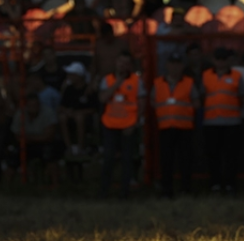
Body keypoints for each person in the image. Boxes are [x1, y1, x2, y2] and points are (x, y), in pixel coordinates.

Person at [98, 50, 145, 199]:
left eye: (126, 63)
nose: (123, 66)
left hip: (128, 126)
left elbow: (141, 103)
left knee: (127, 160)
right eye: (120, 62)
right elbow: (103, 98)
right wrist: (117, 83)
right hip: (110, 125)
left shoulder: (137, 81)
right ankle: (104, 191)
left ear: (130, 65)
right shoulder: (107, 80)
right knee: (108, 159)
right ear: (116, 63)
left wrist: (134, 124)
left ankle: (124, 193)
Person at [152, 52, 199, 198]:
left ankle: (186, 188)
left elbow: (196, 103)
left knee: (185, 160)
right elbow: (153, 101)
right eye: (172, 63)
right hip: (165, 127)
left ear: (182, 66)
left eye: (178, 64)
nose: (175, 67)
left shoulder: (189, 83)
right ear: (167, 65)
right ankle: (167, 190)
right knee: (166, 160)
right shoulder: (158, 83)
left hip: (184, 127)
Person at [202, 47, 244, 195]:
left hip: (232, 122)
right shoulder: (206, 75)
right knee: (213, 155)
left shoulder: (237, 76)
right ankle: (215, 183)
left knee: (231, 155)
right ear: (213, 60)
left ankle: (230, 184)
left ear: (229, 60)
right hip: (211, 122)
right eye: (218, 59)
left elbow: (242, 96)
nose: (221, 62)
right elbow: (202, 95)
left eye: (224, 59)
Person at [10, 93, 63, 182]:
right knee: (14, 156)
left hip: (45, 144)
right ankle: (9, 185)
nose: (33, 108)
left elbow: (49, 136)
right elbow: (17, 136)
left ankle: (55, 183)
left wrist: (27, 138)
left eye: (36, 105)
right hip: (26, 145)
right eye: (31, 105)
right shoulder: (20, 114)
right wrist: (36, 137)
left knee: (50, 153)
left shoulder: (48, 112)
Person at [59, 62, 97, 159]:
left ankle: (81, 148)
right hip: (70, 115)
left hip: (85, 118)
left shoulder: (89, 90)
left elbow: (94, 109)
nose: (69, 77)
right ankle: (69, 148)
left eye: (71, 74)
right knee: (62, 117)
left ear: (79, 76)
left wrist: (80, 112)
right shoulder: (68, 89)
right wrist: (67, 111)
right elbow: (61, 106)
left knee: (79, 118)